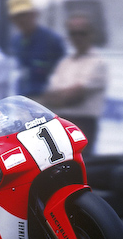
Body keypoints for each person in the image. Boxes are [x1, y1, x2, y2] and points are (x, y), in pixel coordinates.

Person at [37, 14, 107, 155]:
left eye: (82, 33)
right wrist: (59, 97)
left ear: (91, 35)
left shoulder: (98, 62)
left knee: (80, 164)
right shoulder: (65, 62)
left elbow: (75, 96)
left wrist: (57, 98)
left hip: (82, 125)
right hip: (59, 123)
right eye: (73, 34)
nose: (77, 37)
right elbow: (49, 94)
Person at [8, 0, 65, 97]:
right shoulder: (15, 42)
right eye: (17, 16)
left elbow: (63, 72)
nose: (21, 20)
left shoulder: (52, 40)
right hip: (20, 98)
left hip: (45, 99)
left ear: (34, 14)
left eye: (24, 15)